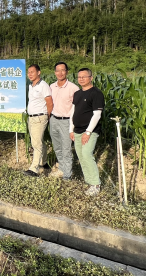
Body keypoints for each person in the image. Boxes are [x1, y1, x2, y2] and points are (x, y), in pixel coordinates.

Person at [69, 68, 105, 196]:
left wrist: (88, 132)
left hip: (89, 131)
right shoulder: (78, 94)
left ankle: (96, 184)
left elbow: (97, 114)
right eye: (79, 77)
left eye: (84, 76)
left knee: (87, 154)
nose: (81, 79)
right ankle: (89, 181)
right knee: (81, 156)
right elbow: (73, 112)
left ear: (91, 77)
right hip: (77, 131)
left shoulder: (96, 93)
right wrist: (71, 129)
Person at [49, 62, 79, 180]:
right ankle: (62, 168)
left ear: (67, 72)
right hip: (54, 119)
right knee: (57, 147)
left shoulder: (73, 88)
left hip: (67, 121)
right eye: (58, 70)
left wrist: (73, 126)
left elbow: (77, 108)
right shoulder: (51, 87)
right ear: (55, 72)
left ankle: (67, 175)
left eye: (63, 70)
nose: (60, 73)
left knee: (66, 149)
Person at [23, 64, 53, 177]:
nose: (30, 74)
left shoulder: (43, 85)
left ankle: (34, 169)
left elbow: (49, 102)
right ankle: (44, 163)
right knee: (38, 141)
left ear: (39, 72)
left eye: (32, 72)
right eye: (28, 72)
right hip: (32, 118)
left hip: (40, 117)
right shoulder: (31, 85)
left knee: (36, 143)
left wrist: (47, 116)